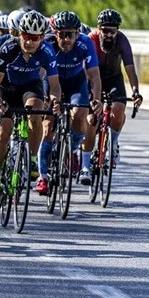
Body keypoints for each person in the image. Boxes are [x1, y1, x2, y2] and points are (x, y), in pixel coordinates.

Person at [0, 10, 61, 210]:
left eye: (35, 38)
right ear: (19, 34)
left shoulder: (46, 51)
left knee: (37, 111)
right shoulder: (7, 47)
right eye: (26, 36)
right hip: (6, 90)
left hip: (30, 88)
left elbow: (54, 85)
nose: (29, 42)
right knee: (2, 133)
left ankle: (33, 159)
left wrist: (54, 101)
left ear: (42, 38)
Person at [41, 11, 102, 192]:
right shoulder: (47, 44)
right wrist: (44, 98)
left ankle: (72, 148)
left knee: (81, 113)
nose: (67, 39)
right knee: (47, 124)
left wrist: (97, 99)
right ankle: (43, 176)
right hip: (52, 83)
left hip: (76, 83)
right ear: (55, 33)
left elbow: (94, 76)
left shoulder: (85, 43)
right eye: (62, 34)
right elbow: (39, 74)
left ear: (77, 33)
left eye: (71, 34)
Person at [82, 8, 142, 179]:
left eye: (112, 31)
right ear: (98, 28)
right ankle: (86, 166)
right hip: (94, 79)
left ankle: (114, 143)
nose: (108, 35)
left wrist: (135, 91)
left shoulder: (122, 40)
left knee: (118, 110)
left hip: (114, 78)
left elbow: (130, 68)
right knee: (92, 121)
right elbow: (84, 69)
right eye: (105, 30)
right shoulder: (90, 40)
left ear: (117, 31)